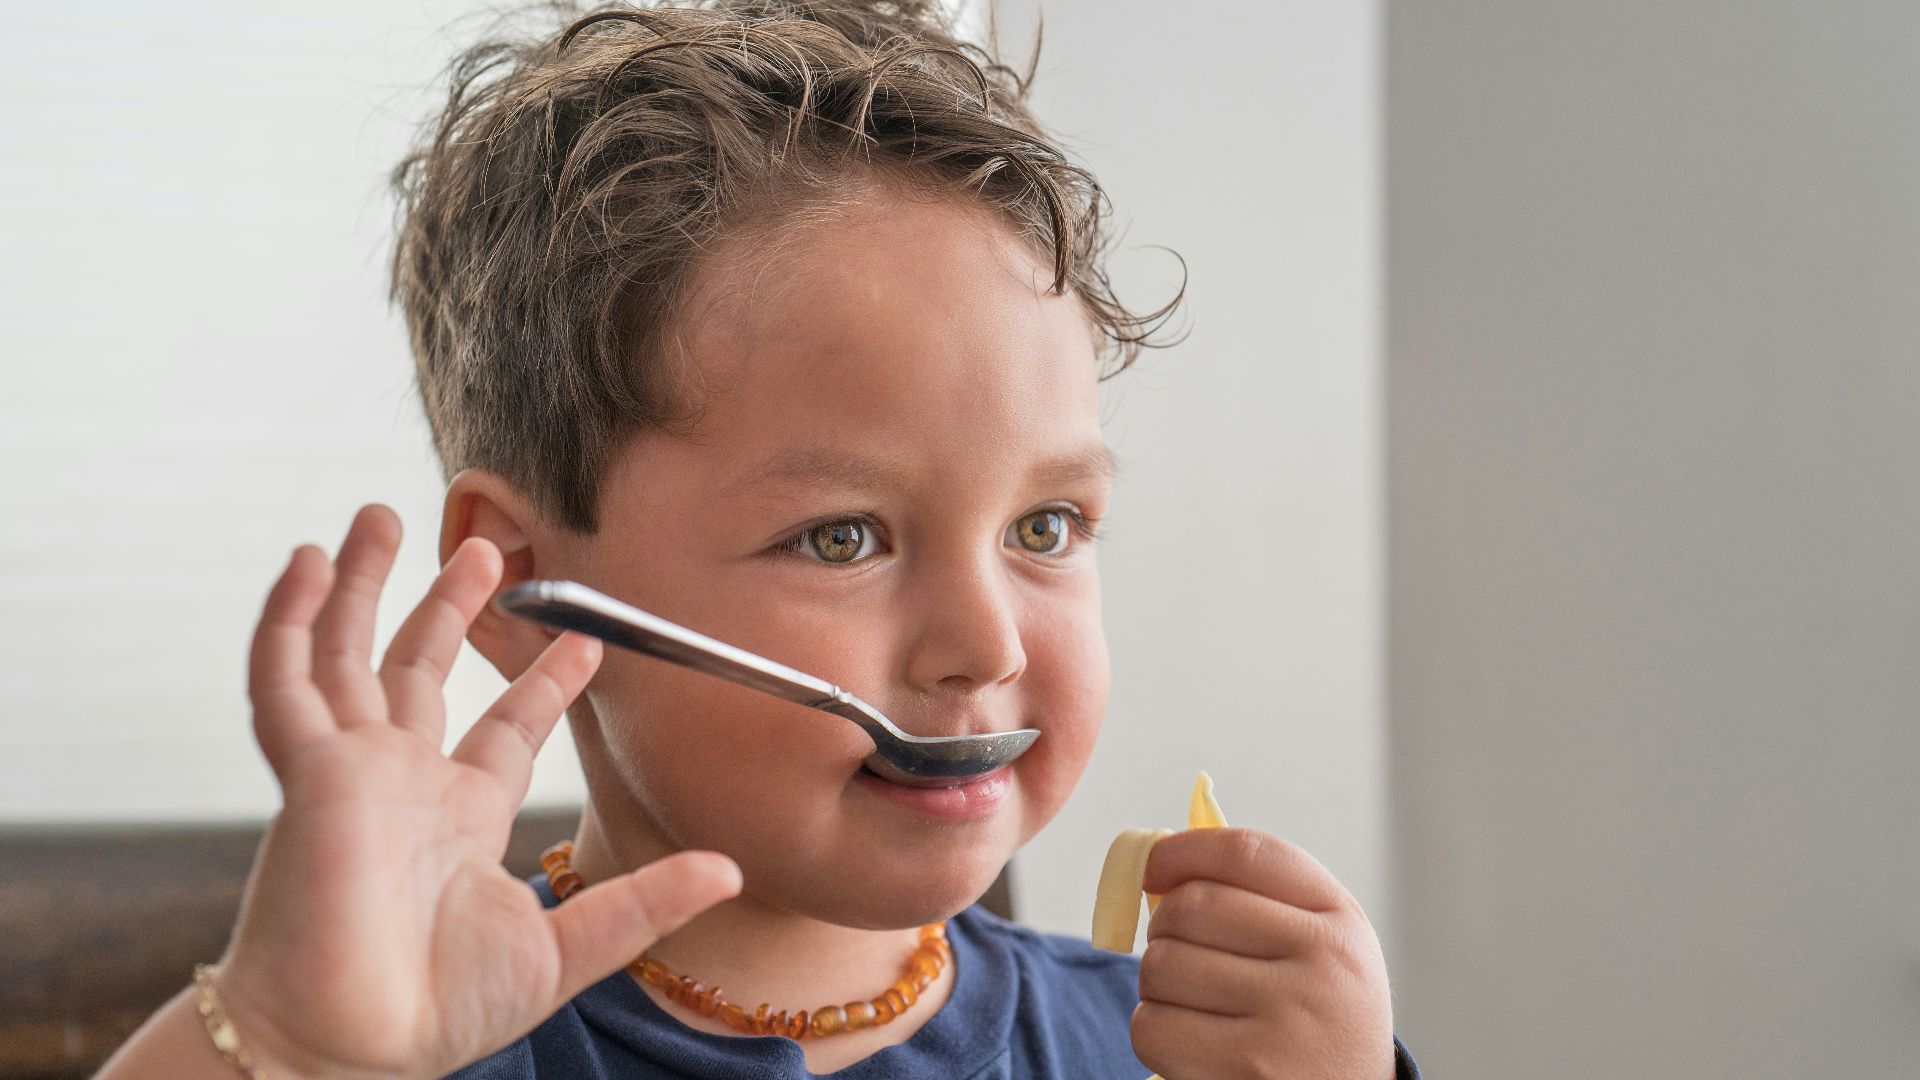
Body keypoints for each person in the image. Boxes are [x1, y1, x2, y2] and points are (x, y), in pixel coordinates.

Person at [95, 1, 1421, 1076]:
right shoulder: (404, 1045)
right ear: (523, 589)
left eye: (1046, 525)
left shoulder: (1176, 1054)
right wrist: (271, 1044)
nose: (986, 642)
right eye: (843, 537)